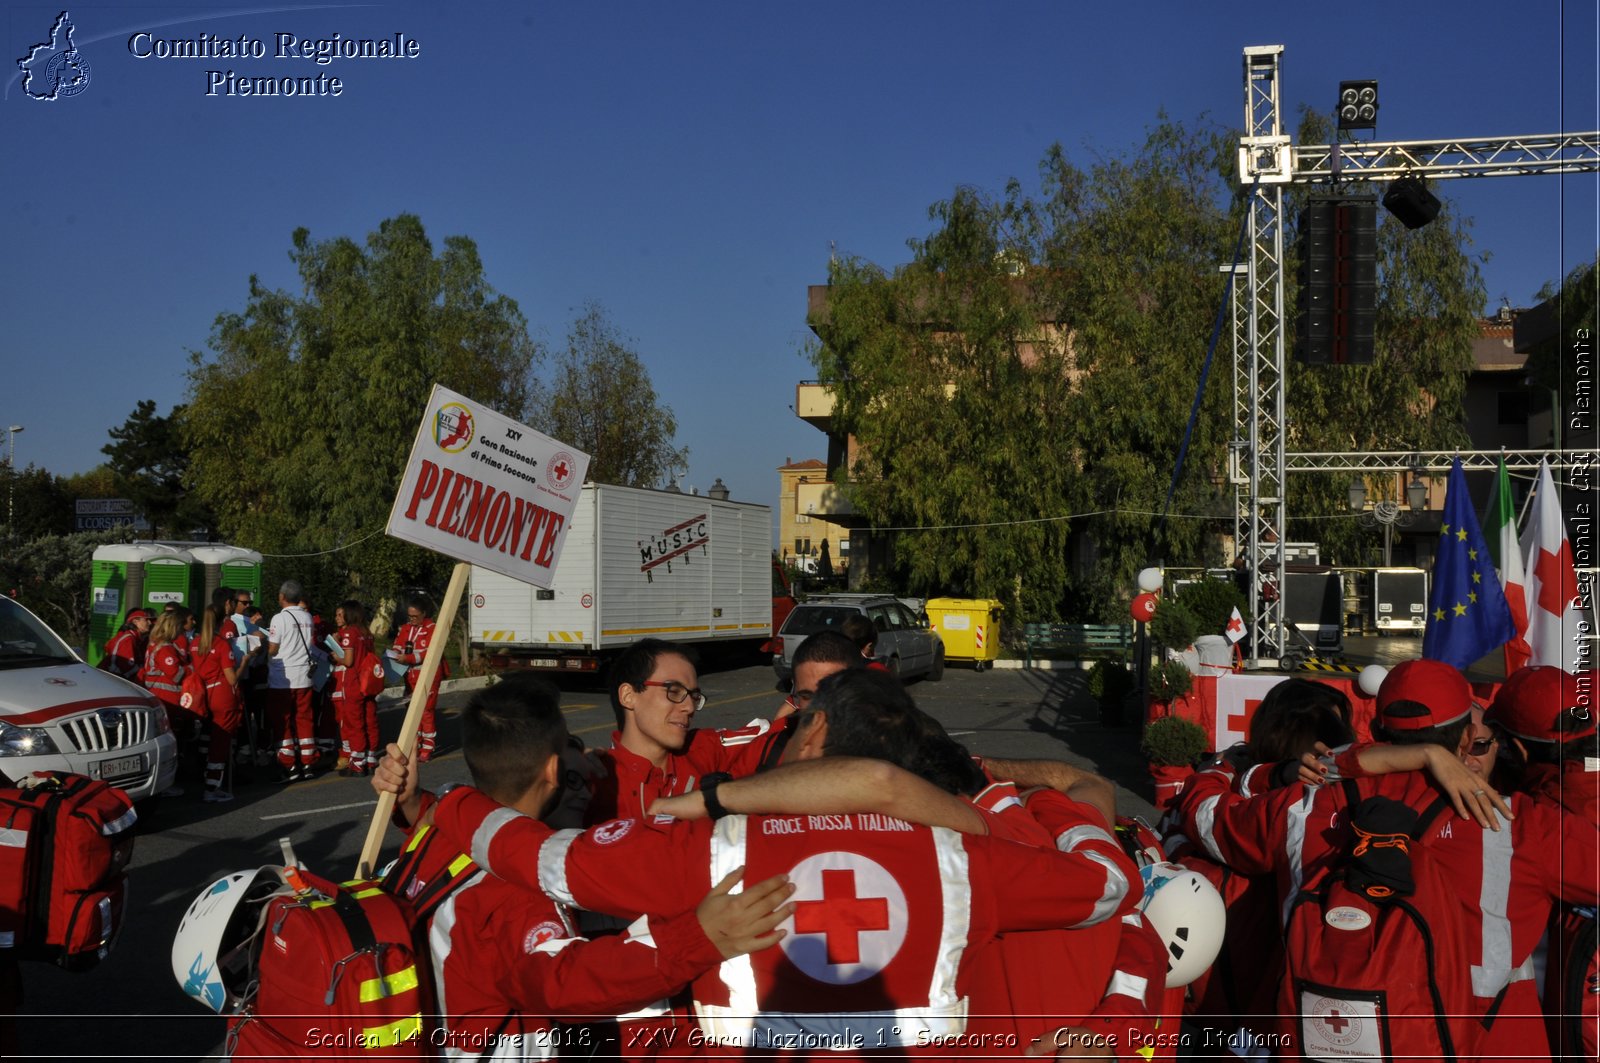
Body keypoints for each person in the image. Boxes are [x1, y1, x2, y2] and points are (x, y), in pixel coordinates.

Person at [397, 668, 1141, 1057]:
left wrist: (451, 803)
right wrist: (1048, 815)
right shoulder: (969, 860)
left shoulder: (711, 847)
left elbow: (547, 860)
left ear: (813, 737)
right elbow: (1109, 885)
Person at [1176, 659, 1600, 1062]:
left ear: (1377, 729)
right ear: (1468, 740)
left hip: (1326, 1041)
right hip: (1483, 1045)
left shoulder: (1302, 809)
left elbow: (1204, 817)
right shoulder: (1523, 825)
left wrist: (1232, 768)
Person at [379, 673, 795, 1055]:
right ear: (554, 768)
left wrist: (415, 803)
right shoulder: (516, 883)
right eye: (569, 746)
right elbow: (562, 981)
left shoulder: (438, 831)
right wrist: (699, 939)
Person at [266, 580, 318, 782]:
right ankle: (307, 762)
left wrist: (263, 651)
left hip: (282, 678)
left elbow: (273, 648)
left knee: (283, 720)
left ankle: (289, 766)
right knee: (304, 718)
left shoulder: (279, 619)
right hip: (304, 676)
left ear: (282, 597)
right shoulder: (307, 617)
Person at [141, 607, 194, 798]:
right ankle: (165, 783)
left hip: (163, 699)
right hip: (166, 701)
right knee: (169, 743)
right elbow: (177, 674)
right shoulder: (164, 648)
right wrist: (190, 667)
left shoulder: (155, 644)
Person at [389, 595, 449, 763]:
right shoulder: (406, 628)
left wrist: (407, 658)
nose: (412, 619)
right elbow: (398, 644)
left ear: (424, 613)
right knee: (411, 710)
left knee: (426, 710)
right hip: (410, 675)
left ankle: (428, 747)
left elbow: (429, 653)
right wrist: (395, 654)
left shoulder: (433, 628)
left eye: (415, 616)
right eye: (410, 616)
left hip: (428, 674)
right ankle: (416, 744)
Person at [192, 605, 241, 803]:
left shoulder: (195, 642)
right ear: (221, 622)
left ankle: (205, 776)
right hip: (221, 694)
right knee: (220, 742)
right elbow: (232, 678)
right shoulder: (221, 644)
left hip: (204, 694)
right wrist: (245, 659)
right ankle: (212, 787)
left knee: (208, 737)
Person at [328, 599, 380, 777]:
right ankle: (370, 758)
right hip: (368, 682)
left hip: (353, 682)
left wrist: (336, 656)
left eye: (342, 614)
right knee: (369, 720)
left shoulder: (350, 632)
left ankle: (357, 763)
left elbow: (348, 661)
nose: (338, 617)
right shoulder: (366, 632)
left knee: (354, 722)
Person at [100, 608, 153, 682]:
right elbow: (127, 666)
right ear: (135, 622)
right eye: (146, 620)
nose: (149, 623)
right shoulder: (129, 639)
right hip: (114, 681)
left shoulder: (133, 637)